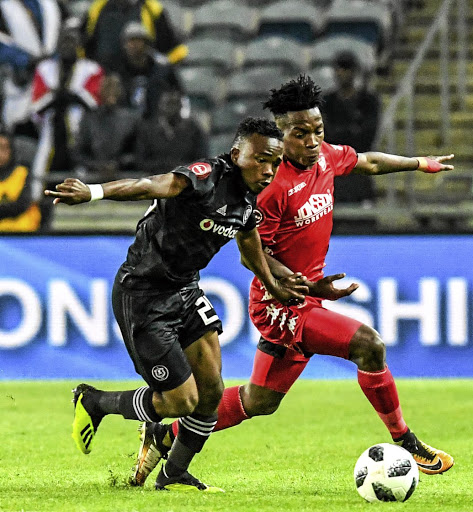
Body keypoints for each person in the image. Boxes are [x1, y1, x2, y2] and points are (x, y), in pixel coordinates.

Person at [131, 74, 455, 487]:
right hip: (279, 301)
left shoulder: (326, 159)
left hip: (308, 298)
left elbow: (369, 161)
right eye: (300, 133)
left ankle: (167, 431)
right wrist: (300, 284)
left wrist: (417, 163)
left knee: (259, 400)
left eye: (317, 130)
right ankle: (407, 442)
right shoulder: (271, 187)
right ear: (281, 138)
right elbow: (255, 255)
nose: (312, 140)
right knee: (368, 345)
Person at [44, 117, 308, 491]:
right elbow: (152, 184)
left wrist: (273, 284)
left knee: (213, 391)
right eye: (261, 159)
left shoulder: (249, 201)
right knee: (181, 402)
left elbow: (249, 243)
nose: (269, 170)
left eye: (275, 163)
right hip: (143, 294)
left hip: (185, 291)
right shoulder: (205, 177)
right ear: (236, 154)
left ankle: (174, 473)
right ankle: (95, 401)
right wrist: (95, 192)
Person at [31, 23, 104, 230]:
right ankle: (42, 224)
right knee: (42, 181)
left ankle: (84, 225)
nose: (67, 46)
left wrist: (66, 94)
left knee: (81, 179)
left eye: (72, 41)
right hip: (51, 134)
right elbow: (36, 107)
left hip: (80, 134)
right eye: (63, 41)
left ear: (79, 44)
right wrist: (59, 96)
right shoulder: (45, 69)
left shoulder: (91, 68)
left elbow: (93, 103)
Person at [322, 51, 381, 205]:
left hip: (359, 171)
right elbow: (325, 138)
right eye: (339, 68)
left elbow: (367, 137)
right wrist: (351, 131)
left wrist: (340, 135)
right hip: (333, 174)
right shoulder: (327, 103)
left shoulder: (368, 101)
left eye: (347, 68)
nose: (342, 73)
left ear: (355, 72)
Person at [81, 0, 188, 74]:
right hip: (105, 81)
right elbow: (84, 47)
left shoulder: (152, 8)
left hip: (142, 79)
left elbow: (175, 50)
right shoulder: (97, 8)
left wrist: (160, 74)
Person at [72, 73, 139, 182]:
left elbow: (139, 152)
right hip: (94, 179)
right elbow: (78, 153)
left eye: (115, 87)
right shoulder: (89, 119)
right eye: (107, 87)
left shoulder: (132, 119)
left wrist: (118, 164)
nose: (111, 91)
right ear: (100, 91)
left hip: (124, 179)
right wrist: (97, 166)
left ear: (121, 91)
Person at [135, 89, 208, 176]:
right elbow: (141, 161)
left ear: (181, 106)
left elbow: (202, 159)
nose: (172, 108)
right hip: (155, 178)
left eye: (175, 103)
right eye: (168, 104)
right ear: (160, 105)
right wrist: (165, 165)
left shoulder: (193, 129)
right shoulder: (148, 130)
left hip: (186, 178)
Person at [115, 21, 182, 116]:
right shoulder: (117, 72)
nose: (133, 45)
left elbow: (177, 94)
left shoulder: (163, 71)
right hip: (126, 125)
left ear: (146, 44)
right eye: (130, 41)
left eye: (137, 40)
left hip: (157, 123)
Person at [0, 130, 41, 231]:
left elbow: (22, 205)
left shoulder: (22, 173)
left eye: (4, 148)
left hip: (21, 234)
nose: (0, 154)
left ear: (11, 150)